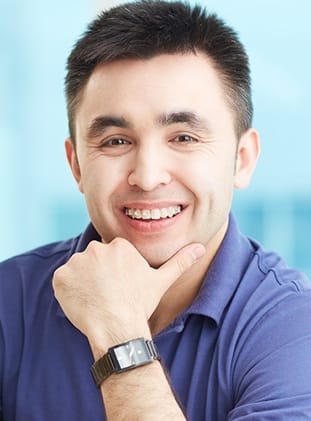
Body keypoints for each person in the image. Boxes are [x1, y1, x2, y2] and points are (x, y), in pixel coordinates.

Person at [1, 1, 311, 419]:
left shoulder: (294, 329)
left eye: (183, 138)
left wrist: (119, 336)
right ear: (76, 165)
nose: (147, 177)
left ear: (242, 159)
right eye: (115, 141)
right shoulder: (9, 301)